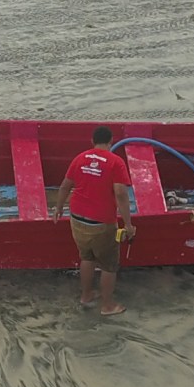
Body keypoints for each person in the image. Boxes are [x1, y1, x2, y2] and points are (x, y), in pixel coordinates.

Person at [57, 125, 136, 316]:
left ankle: (86, 296)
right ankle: (108, 306)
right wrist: (128, 224)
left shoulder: (80, 158)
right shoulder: (115, 162)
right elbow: (121, 194)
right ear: (111, 142)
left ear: (92, 141)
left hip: (76, 218)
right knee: (109, 265)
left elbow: (65, 186)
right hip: (101, 222)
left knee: (86, 257)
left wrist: (58, 208)